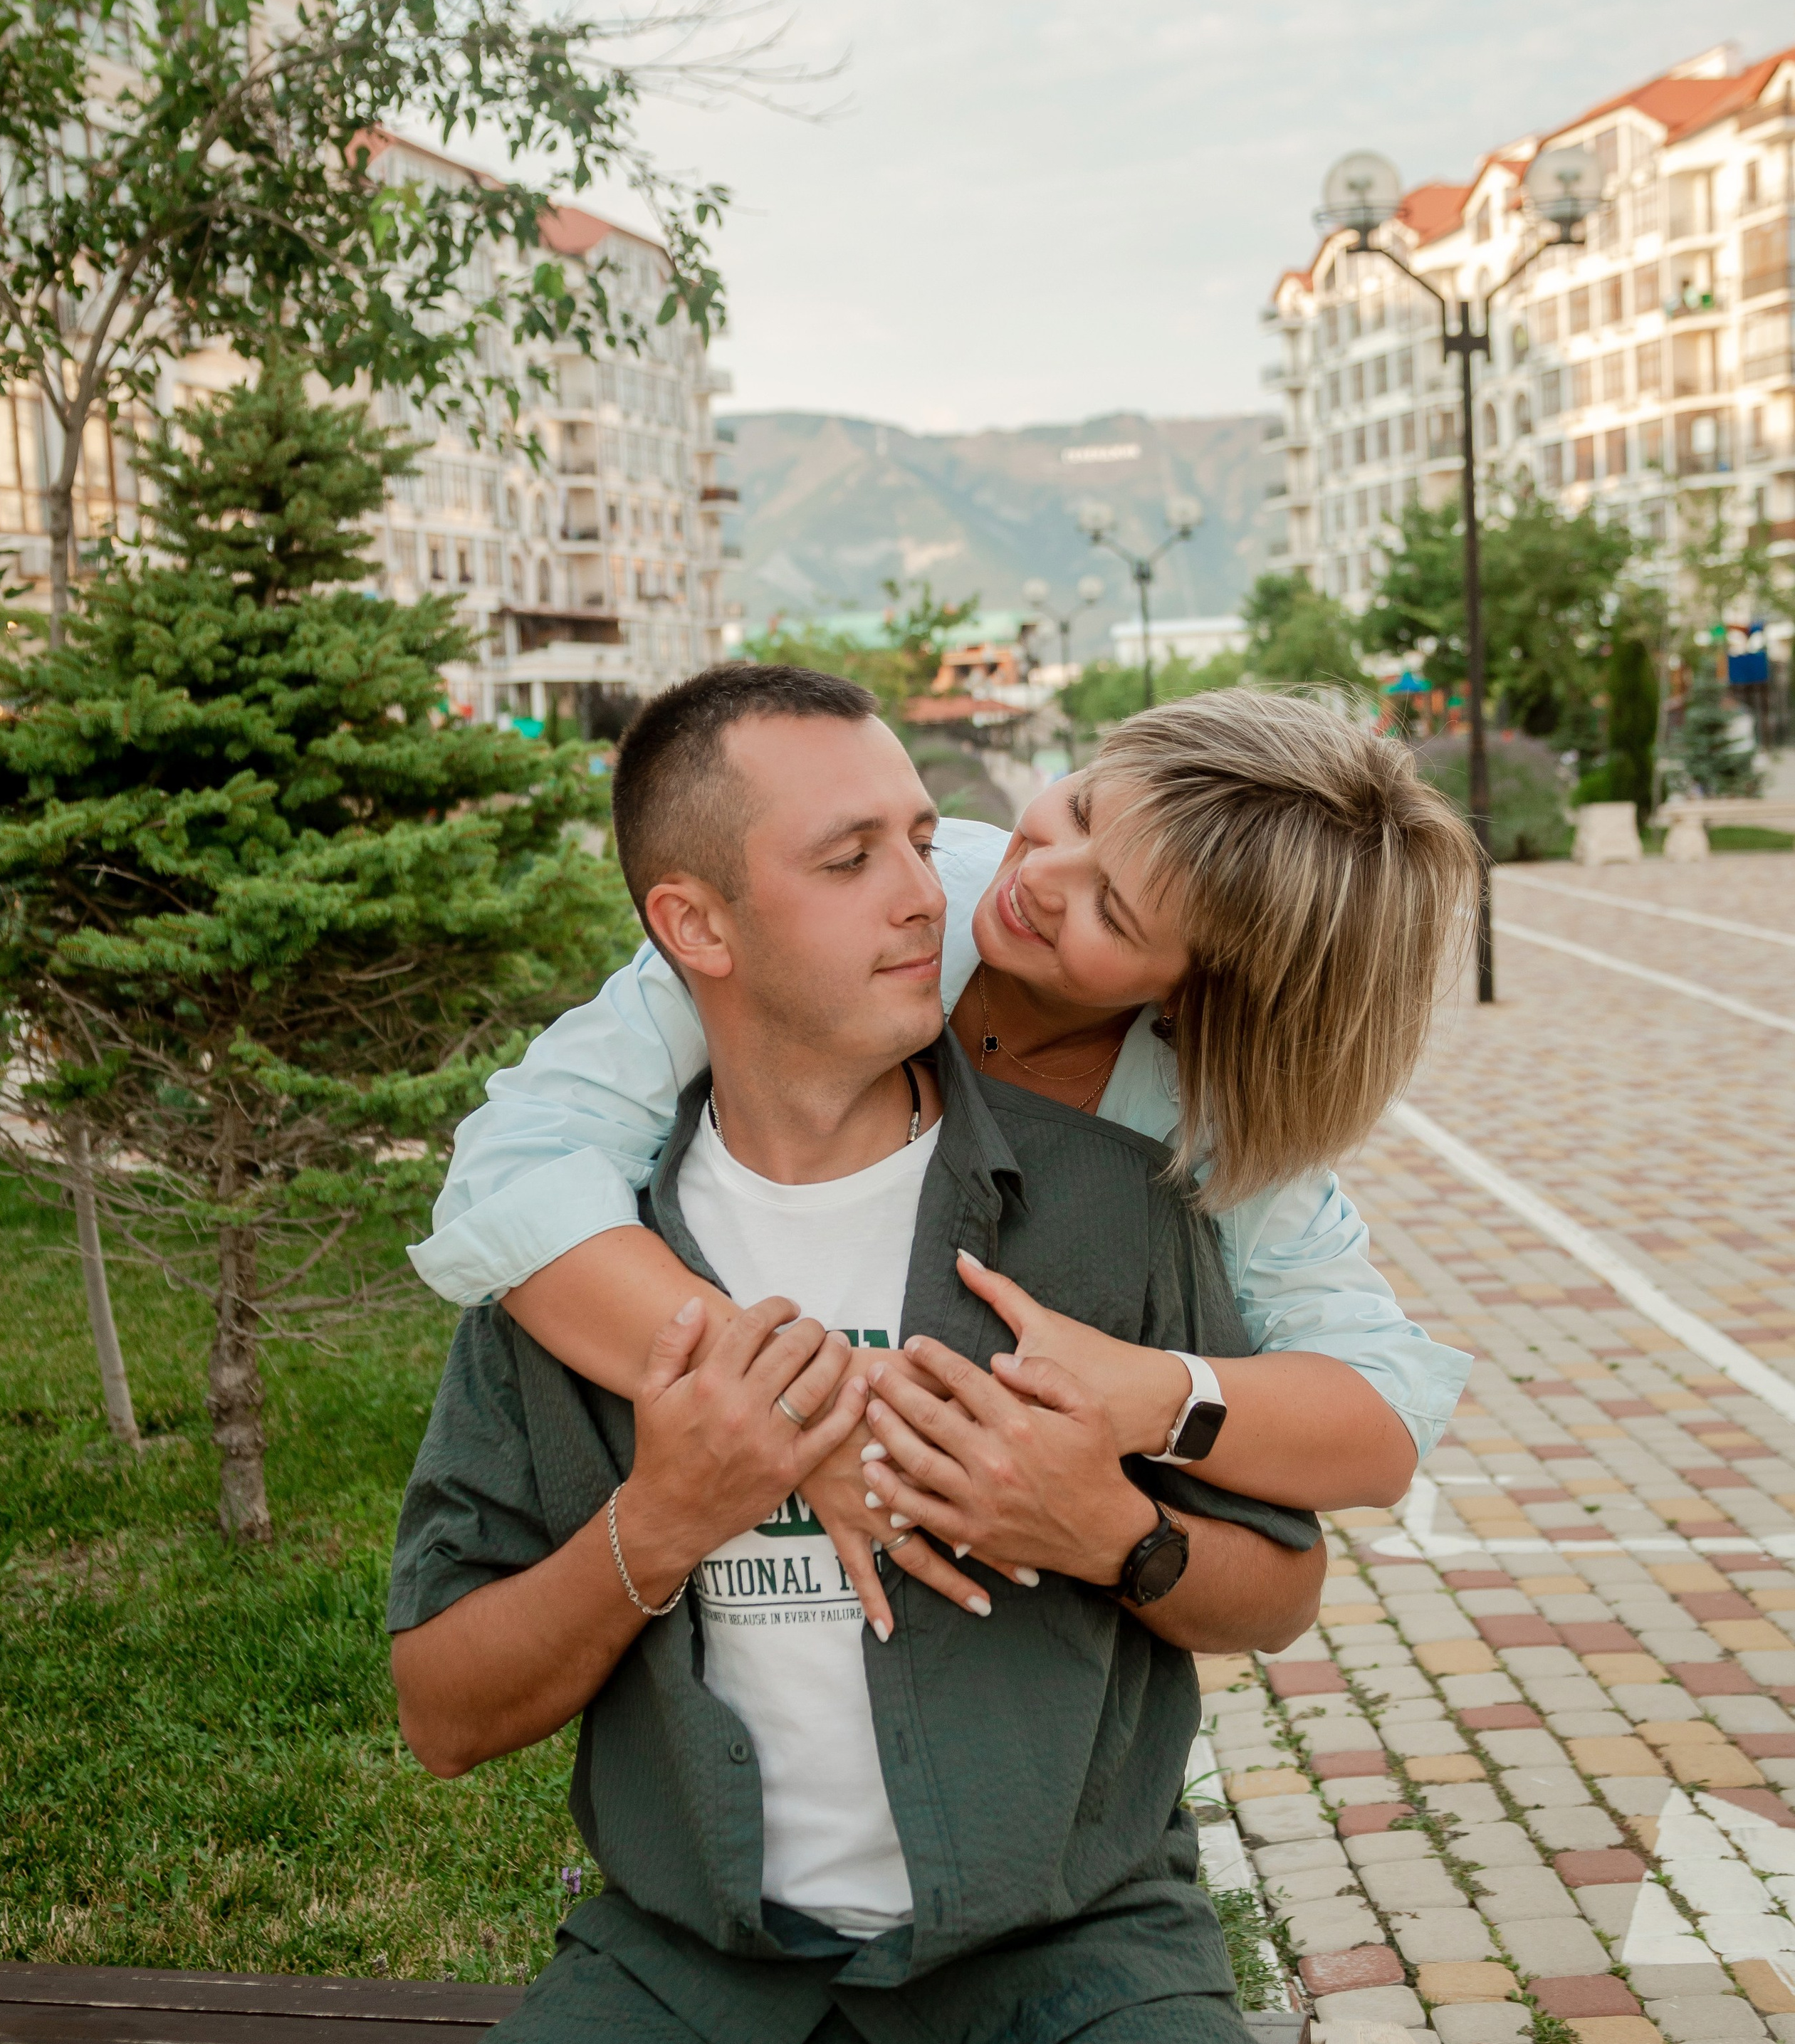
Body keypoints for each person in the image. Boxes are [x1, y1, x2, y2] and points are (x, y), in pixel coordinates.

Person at [315, 668, 1389, 2044]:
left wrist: (1110, 1520)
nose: (937, 890)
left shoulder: (1120, 1213)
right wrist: (663, 1519)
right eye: (851, 858)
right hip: (691, 1984)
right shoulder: (569, 1256)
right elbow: (444, 1717)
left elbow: (1292, 1565)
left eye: (919, 833)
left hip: (1071, 1979)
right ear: (697, 925)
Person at [409, 679, 1480, 1614]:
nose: (1041, 873)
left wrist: (1144, 1396)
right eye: (1081, 807)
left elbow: (1382, 1413)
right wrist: (802, 1418)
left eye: (1111, 904)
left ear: (1201, 998)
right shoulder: (882, 901)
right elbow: (520, 1165)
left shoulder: (1206, 1114)